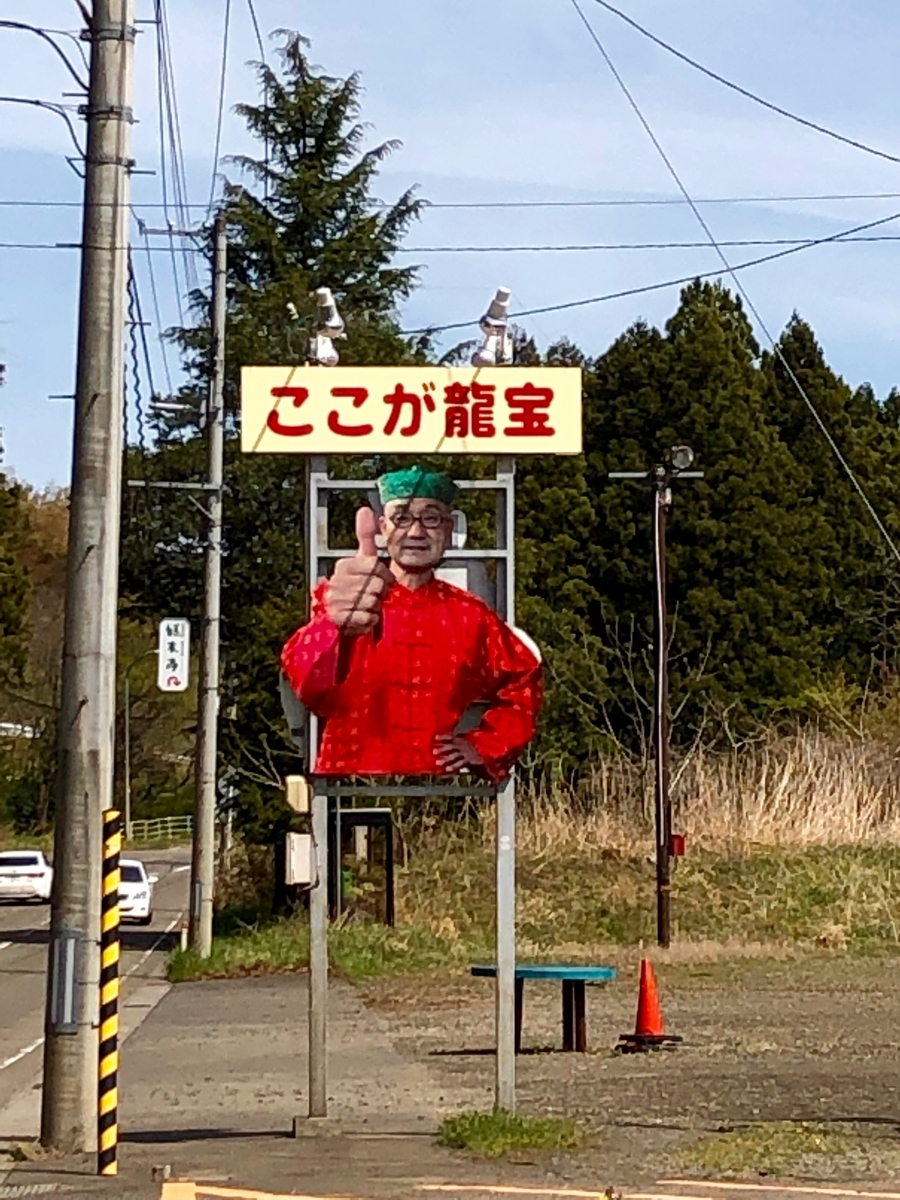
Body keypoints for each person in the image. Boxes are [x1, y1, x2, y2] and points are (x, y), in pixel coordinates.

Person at [281, 466, 542, 780]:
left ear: (448, 530)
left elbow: (523, 678)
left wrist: (484, 746)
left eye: (430, 518)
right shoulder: (343, 595)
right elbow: (305, 683)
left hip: (440, 788)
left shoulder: (472, 616)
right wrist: (334, 628)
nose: (415, 532)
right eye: (402, 518)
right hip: (344, 780)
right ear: (381, 528)